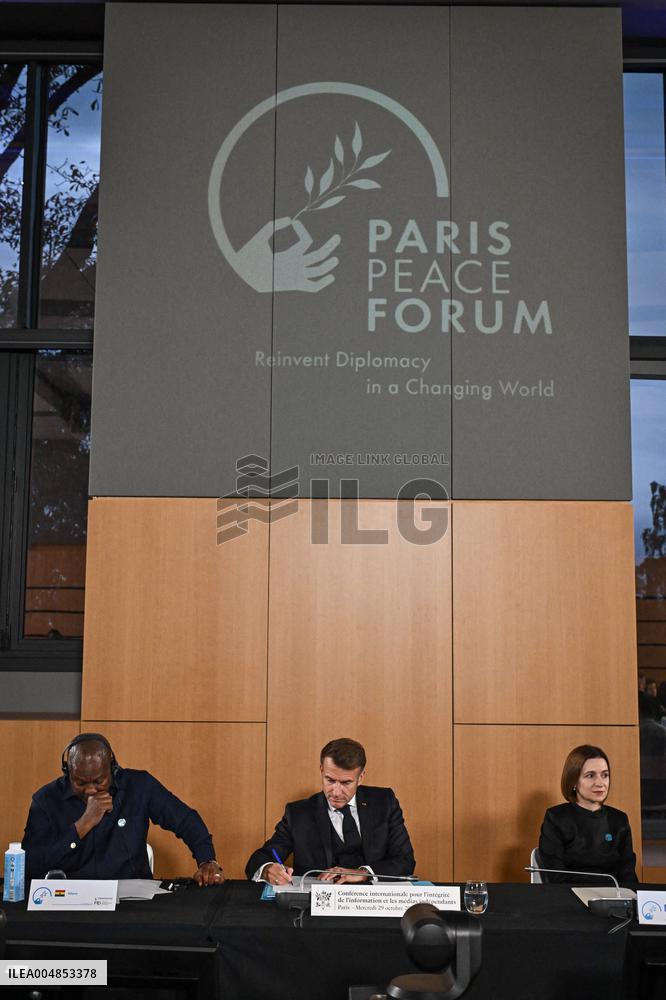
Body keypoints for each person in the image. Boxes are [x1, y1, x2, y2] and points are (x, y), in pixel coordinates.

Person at [22, 732, 224, 885]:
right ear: (67, 771)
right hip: (70, 900)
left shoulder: (139, 786)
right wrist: (83, 825)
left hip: (130, 901)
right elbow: (31, 864)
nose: (90, 790)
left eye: (99, 781)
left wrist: (207, 860)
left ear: (113, 768)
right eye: (80, 783)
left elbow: (185, 820)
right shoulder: (46, 800)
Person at [245, 738, 415, 885]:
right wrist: (267, 869)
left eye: (346, 783)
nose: (336, 792)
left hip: (373, 903)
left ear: (361, 777)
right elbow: (260, 858)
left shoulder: (384, 802)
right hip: (315, 907)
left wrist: (364, 873)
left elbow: (405, 861)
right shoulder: (298, 814)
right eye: (330, 780)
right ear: (321, 770)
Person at [537, 744, 637, 885]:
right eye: (590, 776)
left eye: (605, 775)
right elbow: (555, 875)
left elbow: (628, 874)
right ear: (573, 781)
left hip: (614, 895)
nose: (600, 783)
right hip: (569, 894)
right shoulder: (556, 817)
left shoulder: (619, 819)